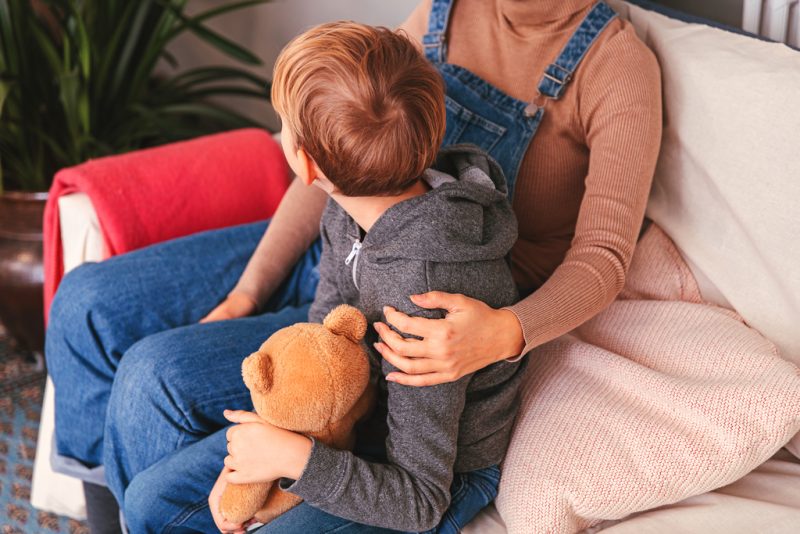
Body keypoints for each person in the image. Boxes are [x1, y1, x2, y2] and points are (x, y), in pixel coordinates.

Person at [45, 0, 661, 531]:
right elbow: (338, 141)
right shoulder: (441, 18)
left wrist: (505, 333)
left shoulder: (615, 65)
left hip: (427, 279)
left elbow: (603, 257)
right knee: (88, 306)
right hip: (355, 240)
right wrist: (245, 295)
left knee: (155, 373)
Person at [212, 22, 526, 533]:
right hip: (365, 416)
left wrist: (295, 460)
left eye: (284, 126)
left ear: (306, 164)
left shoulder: (421, 297)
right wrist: (266, 447)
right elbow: (322, 338)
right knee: (155, 498)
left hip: (436, 477)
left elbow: (421, 502)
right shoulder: (351, 207)